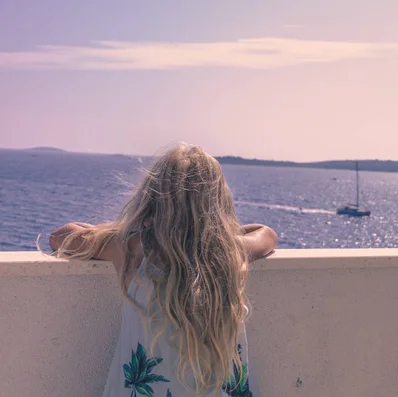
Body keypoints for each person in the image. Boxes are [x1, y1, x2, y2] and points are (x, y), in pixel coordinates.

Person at [49, 143, 278, 397]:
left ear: (152, 197)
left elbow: (61, 236)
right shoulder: (230, 252)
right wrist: (220, 234)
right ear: (217, 199)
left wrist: (117, 228)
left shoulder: (132, 247)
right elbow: (267, 234)